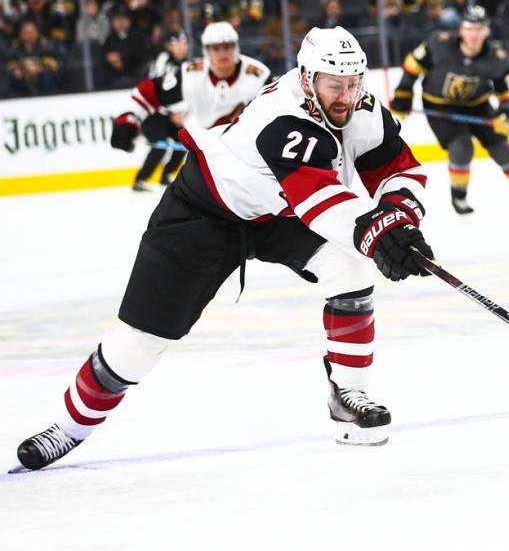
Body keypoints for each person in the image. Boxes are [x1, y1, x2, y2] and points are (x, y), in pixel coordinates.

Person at [15, 27, 434, 472]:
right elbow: (321, 202)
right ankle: (68, 428)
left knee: (351, 267)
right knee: (139, 343)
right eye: (336, 84)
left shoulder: (362, 109)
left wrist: (398, 218)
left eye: (354, 83)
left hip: (278, 214)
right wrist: (377, 234)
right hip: (205, 213)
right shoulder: (284, 117)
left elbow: (399, 169)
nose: (347, 95)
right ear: (308, 77)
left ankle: (349, 394)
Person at [390, 5, 509, 214]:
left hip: (477, 106)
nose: (474, 34)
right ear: (461, 29)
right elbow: (413, 64)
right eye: (469, 28)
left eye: (479, 29)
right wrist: (403, 93)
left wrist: (507, 112)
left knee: (501, 146)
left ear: (487, 31)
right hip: (439, 106)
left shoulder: (497, 57)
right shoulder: (439, 43)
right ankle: (459, 197)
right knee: (462, 147)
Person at [110, 22, 270, 187]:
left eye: (227, 47)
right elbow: (148, 93)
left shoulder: (259, 76)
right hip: (205, 165)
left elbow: (279, 111)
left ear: (236, 48)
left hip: (248, 166)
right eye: (216, 48)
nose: (223, 53)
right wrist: (127, 120)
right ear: (206, 50)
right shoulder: (190, 75)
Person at [129, 29, 190, 191]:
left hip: (172, 114)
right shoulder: (162, 61)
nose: (180, 47)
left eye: (183, 44)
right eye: (176, 44)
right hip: (154, 114)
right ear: (168, 46)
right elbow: (157, 91)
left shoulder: (187, 66)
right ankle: (141, 179)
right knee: (160, 144)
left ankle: (166, 176)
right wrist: (172, 113)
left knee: (184, 141)